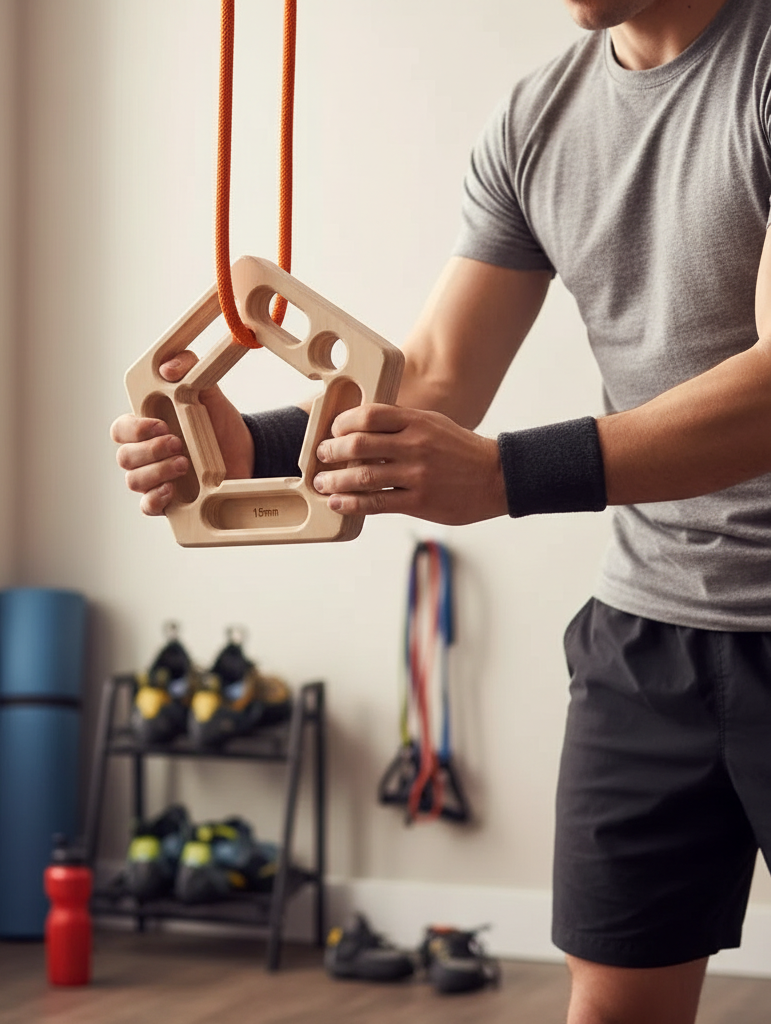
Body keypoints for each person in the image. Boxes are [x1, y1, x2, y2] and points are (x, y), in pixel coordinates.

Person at [111, 0, 771, 1020]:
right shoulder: (537, 120)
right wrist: (252, 447)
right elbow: (434, 376)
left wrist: (507, 475)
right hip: (645, 636)